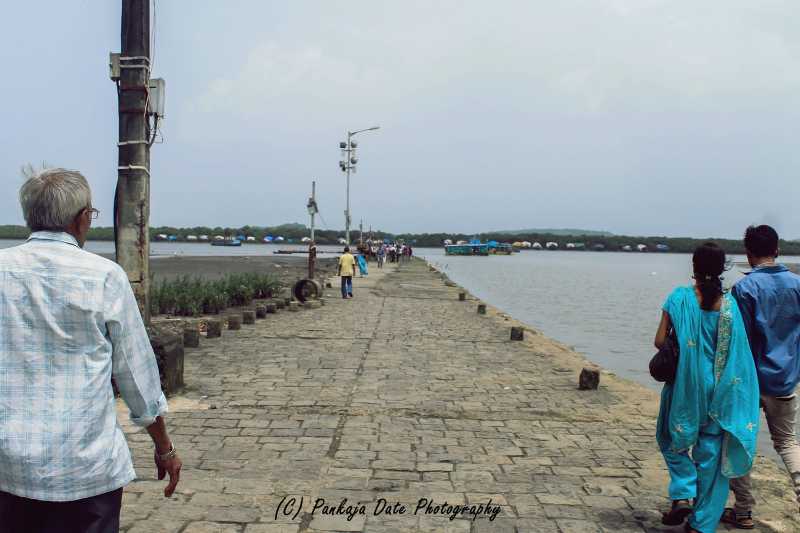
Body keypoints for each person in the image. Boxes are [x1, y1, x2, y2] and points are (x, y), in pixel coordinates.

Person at [0, 168, 181, 533]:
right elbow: (136, 373)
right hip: (85, 467)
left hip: (9, 466)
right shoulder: (104, 276)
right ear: (82, 219)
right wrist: (164, 447)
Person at [655, 242, 760, 533]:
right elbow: (739, 356)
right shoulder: (730, 306)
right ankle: (701, 524)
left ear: (694, 267)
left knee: (670, 438)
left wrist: (687, 347)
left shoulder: (678, 298)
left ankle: (683, 491)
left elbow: (660, 341)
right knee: (711, 458)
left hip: (684, 388)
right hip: (719, 391)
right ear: (722, 267)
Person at [724, 225, 800, 529]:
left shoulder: (743, 289)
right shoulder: (797, 284)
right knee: (787, 441)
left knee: (740, 442)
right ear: (777, 249)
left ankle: (743, 510)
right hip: (785, 379)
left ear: (748, 253)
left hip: (750, 381)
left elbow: (735, 340)